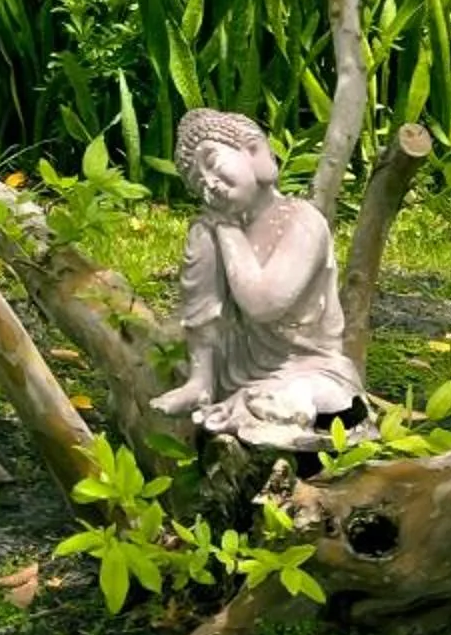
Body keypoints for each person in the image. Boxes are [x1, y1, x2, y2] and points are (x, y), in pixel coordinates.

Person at [149, 108, 363, 447]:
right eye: (198, 183)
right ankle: (202, 386)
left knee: (299, 398)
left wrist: (228, 229)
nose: (210, 184)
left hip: (308, 366)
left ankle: (275, 419)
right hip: (236, 373)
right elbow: (200, 308)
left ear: (255, 152)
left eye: (214, 166)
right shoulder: (209, 233)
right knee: (202, 238)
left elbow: (263, 304)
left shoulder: (302, 221)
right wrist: (202, 375)